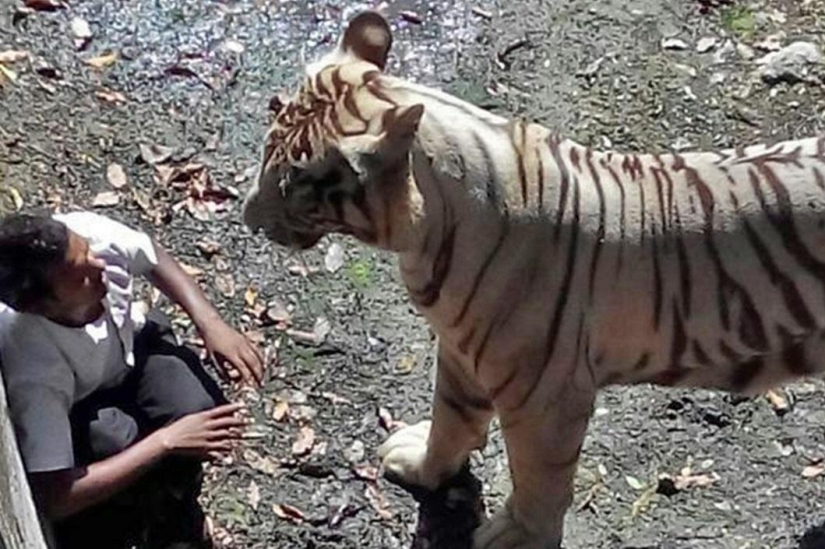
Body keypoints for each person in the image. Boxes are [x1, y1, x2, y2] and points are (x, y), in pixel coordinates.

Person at [0, 210, 265, 549]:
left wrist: (209, 321)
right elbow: (55, 496)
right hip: (84, 405)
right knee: (116, 442)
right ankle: (141, 524)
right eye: (80, 276)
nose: (99, 267)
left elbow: (150, 255)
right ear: (41, 307)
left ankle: (180, 505)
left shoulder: (88, 237)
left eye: (88, 253)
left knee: (195, 405)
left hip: (132, 349)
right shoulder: (34, 367)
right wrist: (165, 441)